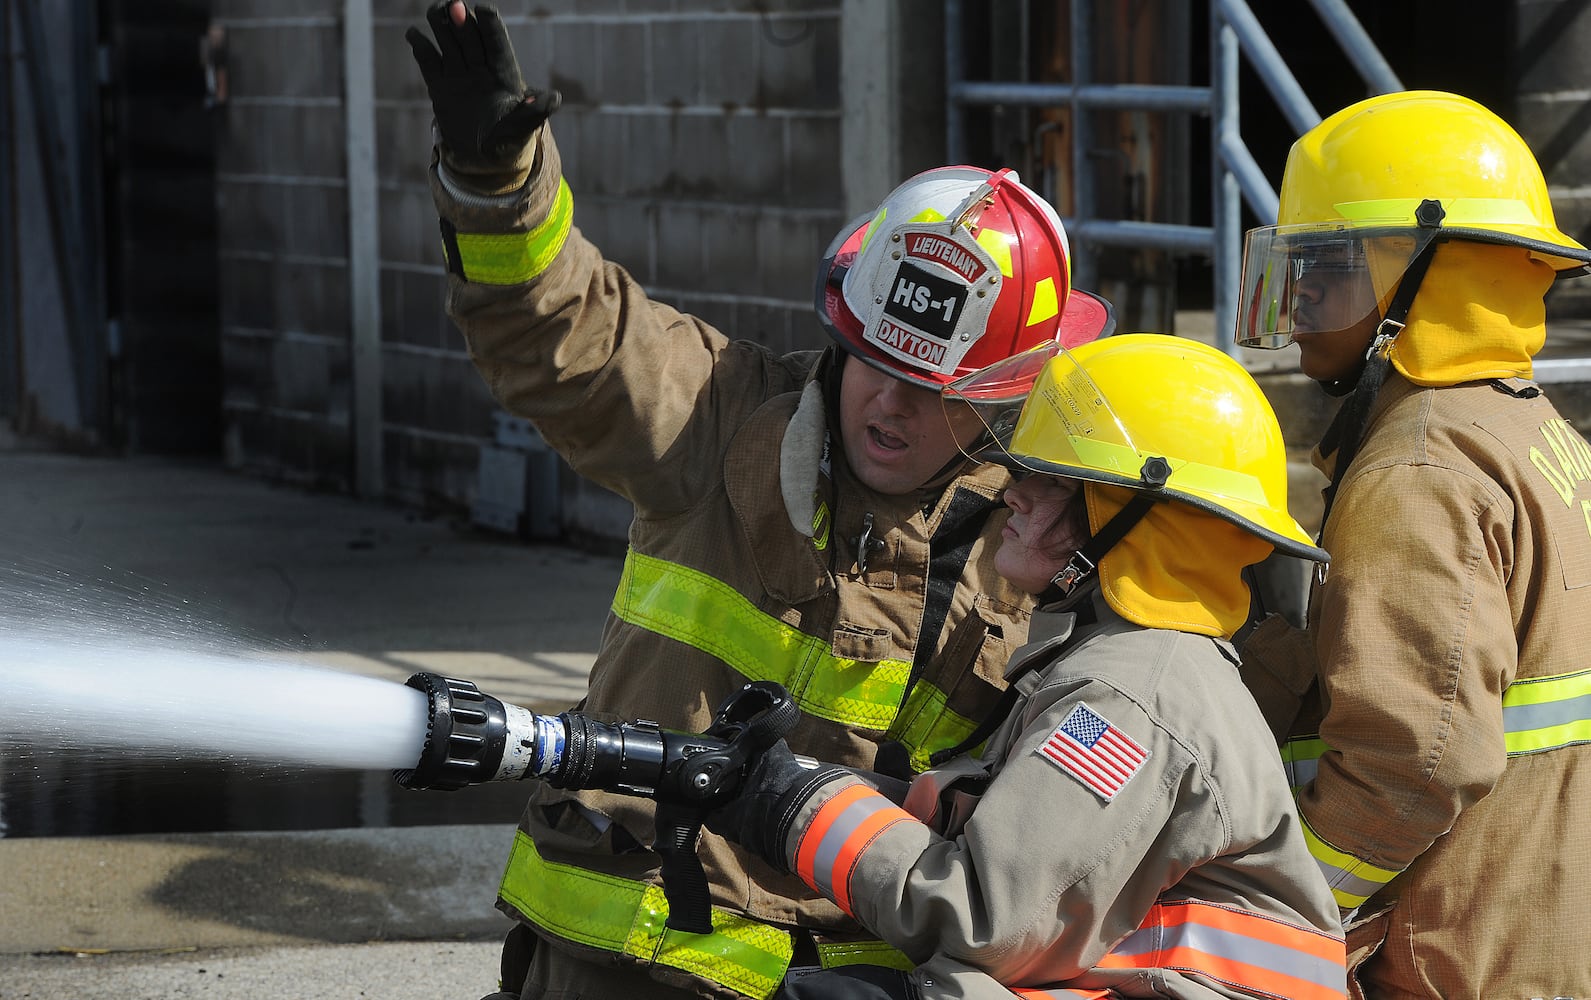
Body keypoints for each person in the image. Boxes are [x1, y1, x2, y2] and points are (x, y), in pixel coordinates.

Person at [404, 4, 1115, 998]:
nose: (890, 403)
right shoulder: (718, 415)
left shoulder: (1038, 538)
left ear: (1001, 398)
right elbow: (563, 336)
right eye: (873, 360)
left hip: (852, 974)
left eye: (936, 389)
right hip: (624, 949)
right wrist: (496, 186)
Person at [704, 334, 1348, 1000]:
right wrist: (821, 782)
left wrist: (793, 806)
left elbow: (987, 920)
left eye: (1054, 481)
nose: (1013, 493)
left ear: (1137, 524)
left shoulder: (1126, 699)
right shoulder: (1140, 661)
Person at [1233, 90, 1591, 998]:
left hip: (1451, 961)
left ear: (1431, 278)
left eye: (1331, 263)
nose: (1302, 291)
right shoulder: (1528, 429)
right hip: (1536, 934)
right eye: (1296, 263)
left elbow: (1413, 763)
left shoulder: (1418, 468)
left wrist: (1276, 907)